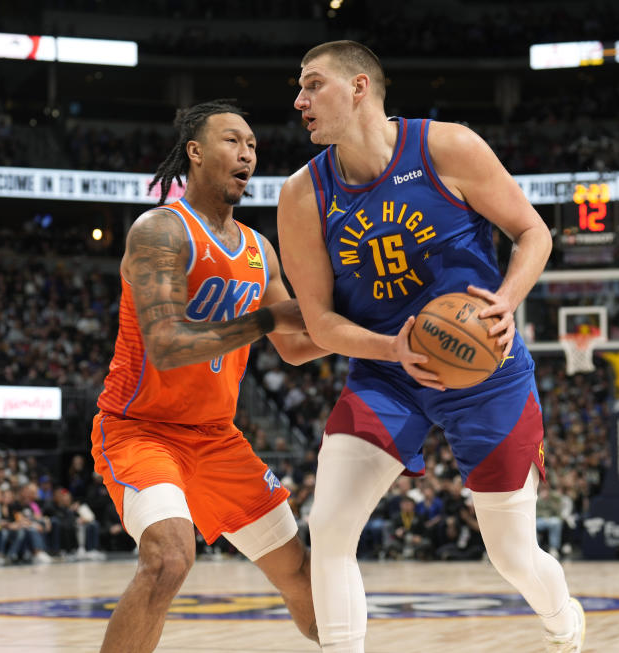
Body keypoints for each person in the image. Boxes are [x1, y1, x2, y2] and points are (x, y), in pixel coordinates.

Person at [277, 40, 584, 652]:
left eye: (313, 85)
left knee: (513, 555)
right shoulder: (301, 195)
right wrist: (393, 350)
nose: (299, 99)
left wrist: (507, 298)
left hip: (485, 371)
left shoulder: (447, 146)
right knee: (330, 529)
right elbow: (320, 324)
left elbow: (532, 231)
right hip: (387, 373)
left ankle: (565, 626)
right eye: (300, 87)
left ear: (359, 86)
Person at [91, 100, 324, 653]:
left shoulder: (257, 250)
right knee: (170, 558)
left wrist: (387, 334)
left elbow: (293, 347)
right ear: (194, 152)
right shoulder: (161, 230)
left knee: (303, 578)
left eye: (252, 146)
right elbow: (168, 347)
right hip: (140, 430)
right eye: (232, 141)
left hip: (217, 439)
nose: (247, 154)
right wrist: (267, 317)